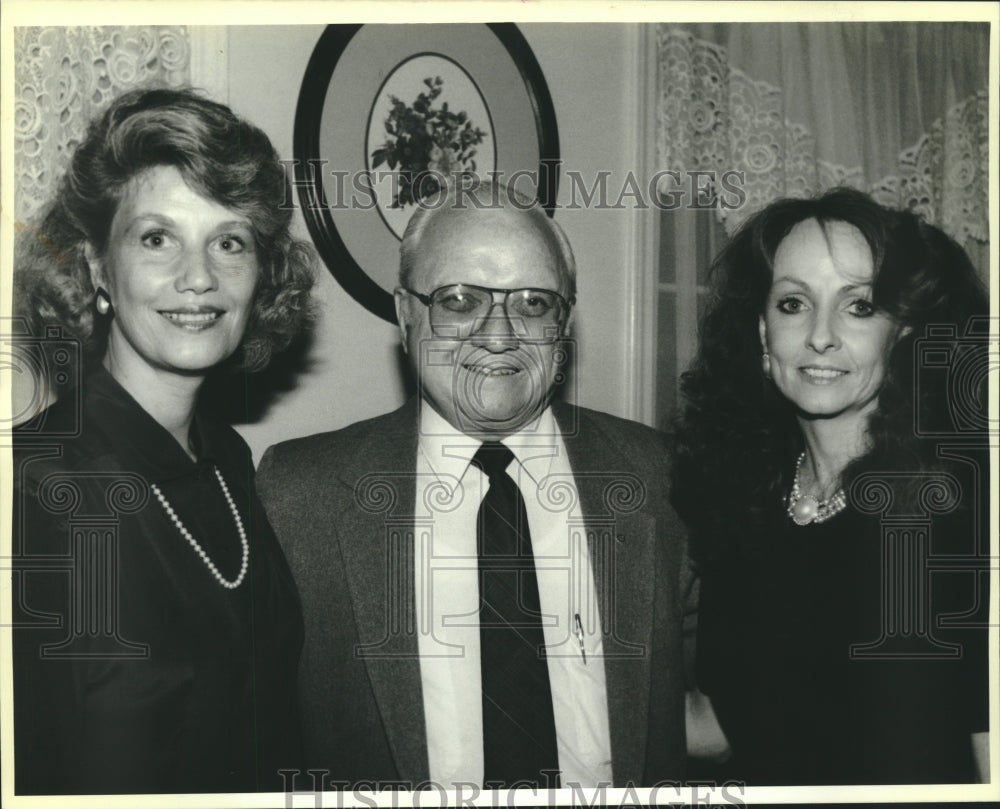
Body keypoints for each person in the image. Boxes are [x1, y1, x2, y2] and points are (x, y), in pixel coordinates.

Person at [257, 180, 692, 790]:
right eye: (459, 300)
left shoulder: (659, 477)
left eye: (534, 303)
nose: (498, 335)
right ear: (406, 313)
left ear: (565, 322)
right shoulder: (299, 493)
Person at [11, 86, 314, 794]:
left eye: (229, 241)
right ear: (94, 266)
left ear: (260, 272)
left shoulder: (234, 464)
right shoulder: (36, 490)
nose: (199, 277)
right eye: (157, 238)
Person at [671, 188, 990, 785]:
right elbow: (717, 729)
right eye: (793, 303)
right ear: (763, 338)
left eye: (860, 307)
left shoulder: (959, 515)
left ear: (904, 333)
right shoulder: (747, 512)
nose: (820, 335)